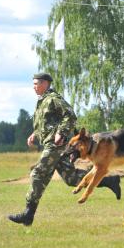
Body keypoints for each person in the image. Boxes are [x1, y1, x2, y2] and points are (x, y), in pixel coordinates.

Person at [8, 72, 77, 226]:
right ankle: (109, 180)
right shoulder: (42, 101)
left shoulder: (53, 99)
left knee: (38, 173)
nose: (34, 87)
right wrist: (34, 134)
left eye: (36, 84)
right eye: (33, 84)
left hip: (55, 144)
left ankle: (28, 214)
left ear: (45, 83)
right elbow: (44, 124)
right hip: (49, 143)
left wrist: (62, 132)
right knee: (72, 178)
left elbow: (71, 115)